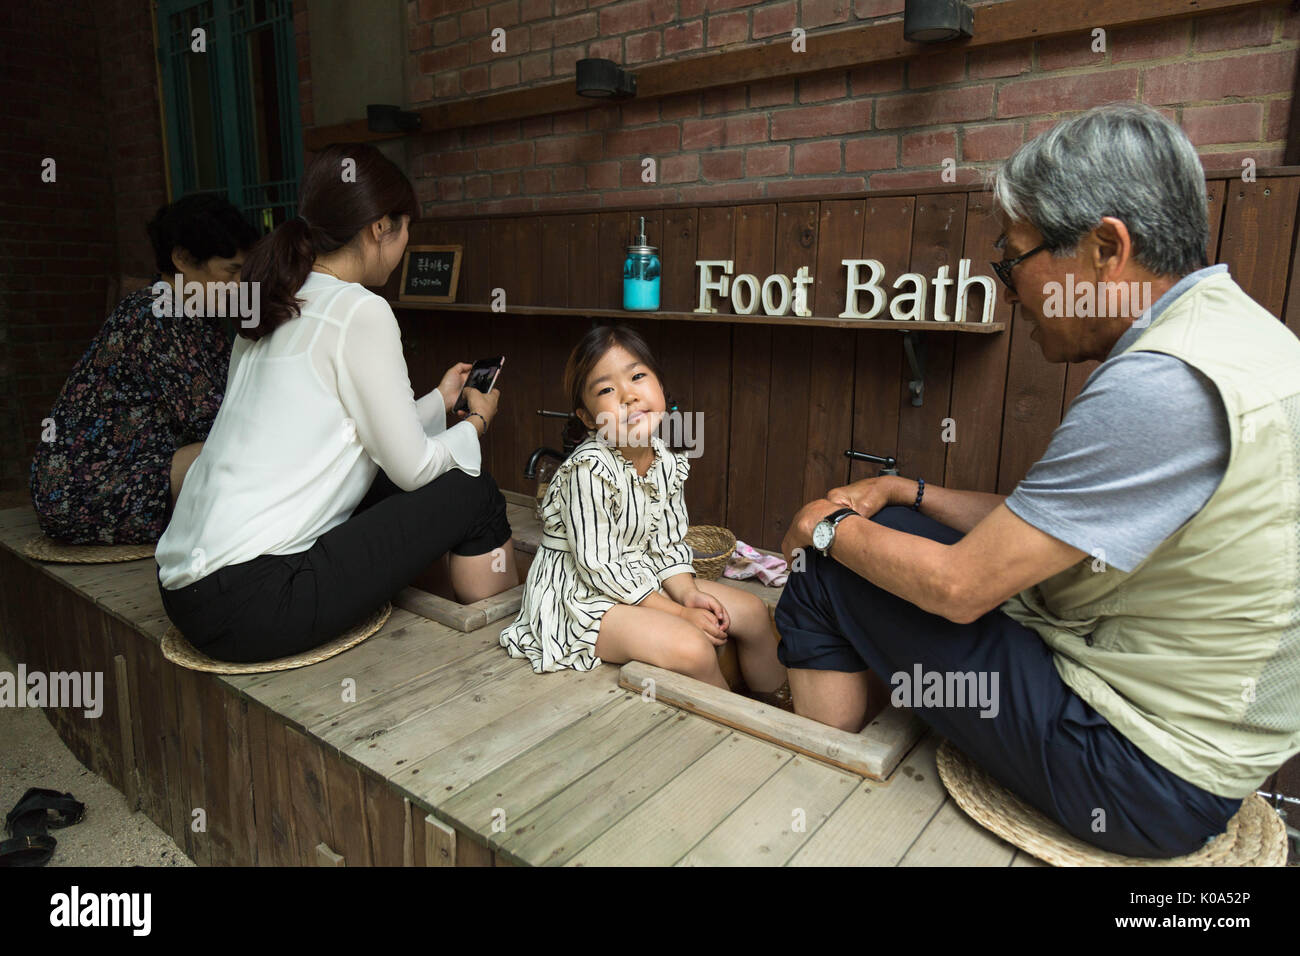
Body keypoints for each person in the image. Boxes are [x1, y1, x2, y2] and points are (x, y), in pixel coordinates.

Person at [776, 103, 1300, 858]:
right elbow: (1048, 525)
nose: (1010, 291)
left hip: (1135, 773)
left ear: (1104, 249)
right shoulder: (1241, 338)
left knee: (828, 567)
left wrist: (823, 528)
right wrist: (907, 492)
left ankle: (809, 796)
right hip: (1211, 740)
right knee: (887, 534)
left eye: (1012, 259)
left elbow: (961, 586)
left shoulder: (1161, 384)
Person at [155, 143, 517, 663]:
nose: (408, 242)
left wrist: (440, 400)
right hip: (255, 602)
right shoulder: (359, 310)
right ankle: (494, 641)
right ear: (379, 228)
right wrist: (476, 424)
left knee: (390, 475)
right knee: (472, 489)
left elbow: (362, 436)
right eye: (407, 227)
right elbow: (413, 467)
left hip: (184, 590)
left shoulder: (279, 300)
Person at [499, 324, 790, 708]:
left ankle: (785, 714)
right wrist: (677, 614)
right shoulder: (588, 471)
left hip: (640, 576)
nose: (628, 395)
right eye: (606, 390)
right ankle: (746, 733)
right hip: (579, 596)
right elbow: (598, 567)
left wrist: (688, 595)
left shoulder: (666, 460)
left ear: (660, 387)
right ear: (588, 418)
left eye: (638, 376)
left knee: (752, 613)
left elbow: (668, 544)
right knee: (693, 647)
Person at [30, 193, 259, 543]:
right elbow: (217, 420)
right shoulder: (152, 316)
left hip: (142, 468)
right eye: (231, 271)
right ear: (182, 258)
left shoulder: (199, 317)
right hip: (81, 492)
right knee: (238, 448)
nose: (241, 284)